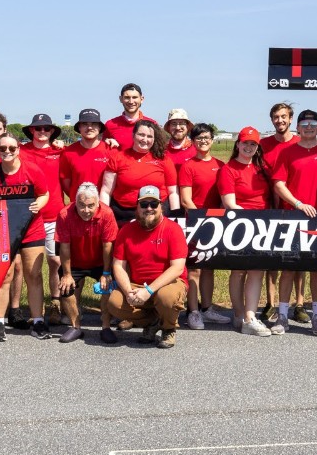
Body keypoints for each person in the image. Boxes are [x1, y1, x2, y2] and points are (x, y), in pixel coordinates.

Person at [272, 109, 317, 334]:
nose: (309, 127)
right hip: (292, 216)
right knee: (288, 269)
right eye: (304, 124)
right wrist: (298, 204)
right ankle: (282, 317)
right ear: (297, 127)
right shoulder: (287, 152)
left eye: (313, 123)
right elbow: (279, 185)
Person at [0, 132, 52, 340]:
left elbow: (44, 193)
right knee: (5, 277)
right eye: (2, 148)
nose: (7, 152)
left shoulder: (31, 169)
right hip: (4, 231)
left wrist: (37, 205)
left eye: (11, 148)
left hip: (31, 229)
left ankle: (38, 321)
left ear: (18, 149)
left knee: (34, 275)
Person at [102, 186, 188, 349]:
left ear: (161, 206)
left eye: (153, 204)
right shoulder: (126, 230)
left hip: (168, 283)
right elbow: (118, 266)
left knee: (166, 298)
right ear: (137, 207)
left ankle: (168, 328)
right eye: (144, 204)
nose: (149, 208)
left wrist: (149, 291)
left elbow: (177, 268)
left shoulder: (173, 229)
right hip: (137, 284)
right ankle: (154, 321)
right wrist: (128, 292)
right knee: (114, 303)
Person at [217, 127, 275, 335]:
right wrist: (250, 218)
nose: (249, 147)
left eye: (253, 144)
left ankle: (250, 316)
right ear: (237, 145)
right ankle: (239, 314)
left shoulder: (262, 169)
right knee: (239, 270)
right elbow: (229, 203)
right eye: (245, 143)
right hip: (239, 225)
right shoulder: (228, 169)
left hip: (263, 225)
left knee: (256, 270)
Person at [54, 183, 119, 343]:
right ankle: (76, 326)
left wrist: (106, 273)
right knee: (66, 288)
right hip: (75, 261)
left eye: (91, 206)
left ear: (98, 203)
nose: (86, 210)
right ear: (75, 202)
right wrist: (67, 274)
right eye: (81, 205)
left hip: (99, 261)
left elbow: (108, 246)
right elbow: (64, 246)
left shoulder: (107, 214)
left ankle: (105, 326)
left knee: (107, 286)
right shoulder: (64, 215)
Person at [178, 122, 225, 329]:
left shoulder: (221, 165)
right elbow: (186, 199)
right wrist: (202, 219)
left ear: (212, 140)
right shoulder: (188, 165)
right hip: (196, 223)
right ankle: (193, 311)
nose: (203, 141)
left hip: (216, 224)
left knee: (209, 268)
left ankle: (207, 309)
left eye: (206, 138)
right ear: (193, 142)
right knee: (194, 269)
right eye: (199, 138)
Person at [259, 102, 303, 323]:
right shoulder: (263, 144)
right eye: (276, 117)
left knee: (300, 258)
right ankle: (271, 302)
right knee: (272, 259)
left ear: (291, 118)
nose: (280, 121)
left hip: (297, 205)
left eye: (284, 117)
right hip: (270, 206)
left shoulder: (300, 142)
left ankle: (300, 303)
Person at [21, 113, 66, 320]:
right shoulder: (20, 151)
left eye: (46, 129)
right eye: (37, 128)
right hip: (30, 217)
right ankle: (23, 309)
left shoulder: (60, 152)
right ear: (31, 130)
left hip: (55, 215)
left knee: (56, 262)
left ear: (51, 132)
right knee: (30, 267)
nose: (41, 132)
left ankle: (56, 302)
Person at [100, 120, 179, 222]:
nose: (145, 139)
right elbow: (106, 191)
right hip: (124, 214)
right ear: (133, 135)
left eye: (149, 136)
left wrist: (175, 217)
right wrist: (105, 216)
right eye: (141, 135)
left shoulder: (164, 159)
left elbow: (173, 192)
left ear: (154, 139)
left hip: (156, 212)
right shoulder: (117, 158)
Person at [60, 108, 113, 203]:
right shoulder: (68, 153)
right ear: (79, 127)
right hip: (77, 207)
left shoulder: (110, 150)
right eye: (85, 124)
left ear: (100, 127)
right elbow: (66, 185)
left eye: (94, 124)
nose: (89, 128)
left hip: (104, 206)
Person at [103, 83, 157, 149]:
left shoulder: (152, 124)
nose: (131, 101)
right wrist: (105, 141)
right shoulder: (110, 125)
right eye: (127, 97)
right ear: (121, 99)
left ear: (142, 99)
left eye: (134, 97)